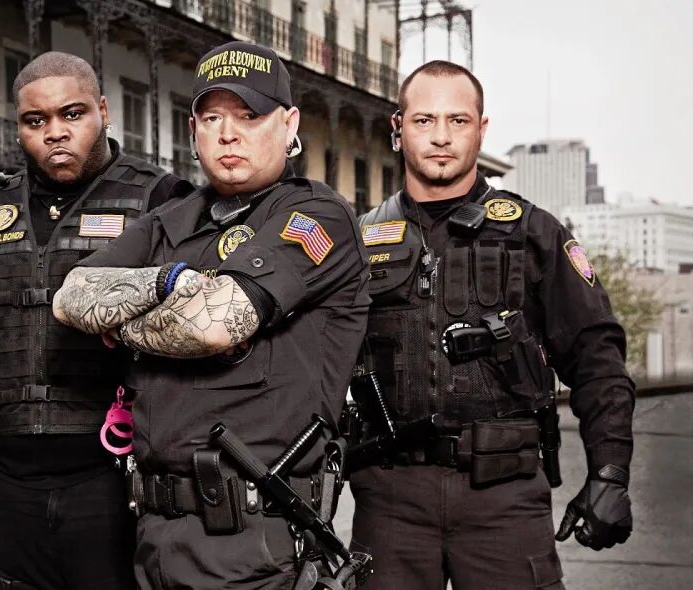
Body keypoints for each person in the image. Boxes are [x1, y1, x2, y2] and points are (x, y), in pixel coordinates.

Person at [53, 41, 370, 589]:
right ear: (193, 129)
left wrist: (120, 323)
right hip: (153, 535)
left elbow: (210, 325)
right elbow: (71, 297)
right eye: (212, 117)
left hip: (256, 541)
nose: (228, 134)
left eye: (249, 115)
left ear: (289, 124)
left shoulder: (317, 215)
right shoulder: (170, 220)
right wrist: (167, 283)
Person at [0, 51, 192, 590]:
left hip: (116, 483)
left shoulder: (163, 201)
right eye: (36, 121)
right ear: (19, 128)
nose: (55, 132)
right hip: (1, 485)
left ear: (103, 111)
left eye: (72, 114)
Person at [348, 60, 634, 589]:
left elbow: (597, 357)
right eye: (424, 120)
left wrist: (610, 470)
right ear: (398, 127)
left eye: (457, 120)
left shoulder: (535, 233)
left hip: (505, 498)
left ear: (481, 129)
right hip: (389, 501)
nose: (440, 136)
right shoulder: (358, 241)